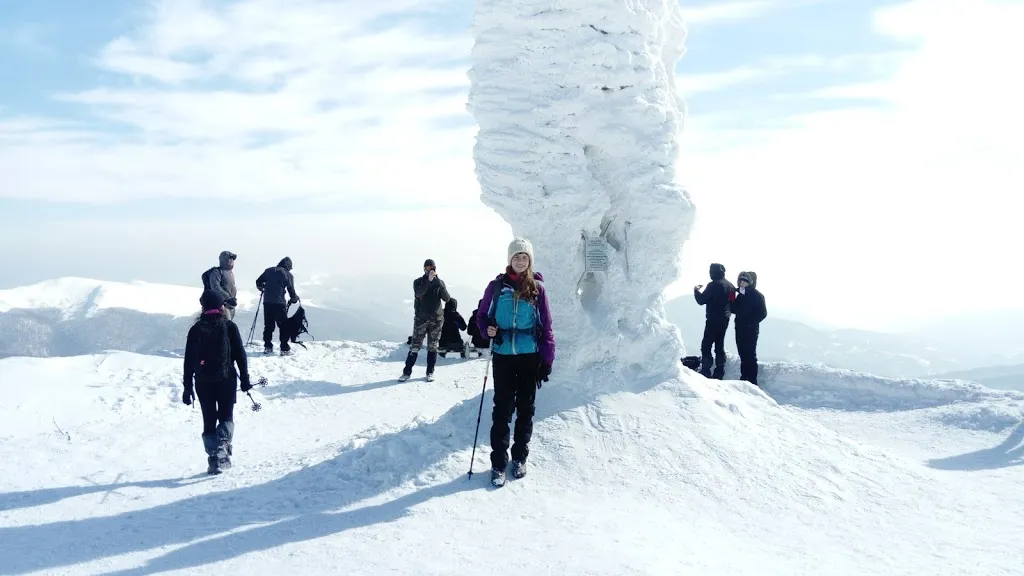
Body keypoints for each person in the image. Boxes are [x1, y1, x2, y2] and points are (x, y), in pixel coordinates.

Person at [477, 237, 555, 487]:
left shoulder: (537, 289)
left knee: (525, 409)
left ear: (530, 261)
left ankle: (519, 457)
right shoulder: (496, 287)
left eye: (525, 257)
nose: (520, 261)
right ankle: (498, 463)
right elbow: (482, 316)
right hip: (503, 356)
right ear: (509, 259)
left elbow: (546, 326)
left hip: (529, 356)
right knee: (502, 410)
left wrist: (547, 359)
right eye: (516, 257)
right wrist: (487, 329)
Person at [182, 290, 252, 475]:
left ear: (203, 307)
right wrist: (245, 378)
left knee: (209, 419)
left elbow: (188, 361)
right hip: (226, 379)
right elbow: (240, 355)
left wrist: (187, 387)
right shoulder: (229, 327)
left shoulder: (196, 329)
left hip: (203, 382)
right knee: (226, 415)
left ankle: (213, 458)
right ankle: (223, 443)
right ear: (221, 307)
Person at [399, 259, 450, 382]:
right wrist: (428, 281)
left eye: (431, 268)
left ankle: (430, 372)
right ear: (424, 269)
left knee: (433, 346)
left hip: (436, 319)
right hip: (421, 319)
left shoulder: (439, 283)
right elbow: (419, 293)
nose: (429, 270)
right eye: (427, 268)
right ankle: (406, 372)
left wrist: (439, 283)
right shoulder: (418, 282)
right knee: (415, 346)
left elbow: (447, 298)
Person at [693, 262, 735, 379]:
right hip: (725, 319)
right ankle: (719, 371)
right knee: (719, 345)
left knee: (706, 345)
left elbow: (701, 300)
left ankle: (706, 371)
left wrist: (696, 291)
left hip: (713, 319)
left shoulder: (713, 285)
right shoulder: (731, 286)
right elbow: (733, 302)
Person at [255, 257, 299, 356]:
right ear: (288, 267)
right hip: (279, 303)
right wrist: (294, 299)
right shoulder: (288, 274)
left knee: (268, 326)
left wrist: (262, 288)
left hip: (267, 302)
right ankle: (284, 348)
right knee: (283, 326)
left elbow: (258, 282)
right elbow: (291, 290)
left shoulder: (269, 270)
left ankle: (267, 346)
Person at [729, 271, 767, 385]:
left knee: (750, 354)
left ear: (750, 282)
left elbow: (763, 313)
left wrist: (751, 322)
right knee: (742, 353)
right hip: (739, 328)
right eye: (740, 281)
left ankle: (752, 380)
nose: (742, 283)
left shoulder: (757, 295)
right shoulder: (741, 294)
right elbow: (734, 309)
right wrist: (731, 298)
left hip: (751, 330)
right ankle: (744, 377)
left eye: (744, 281)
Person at [204, 251, 238, 319]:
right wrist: (228, 298)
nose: (232, 260)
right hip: (220, 306)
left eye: (232, 259)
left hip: (229, 305)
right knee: (222, 323)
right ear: (224, 260)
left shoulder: (230, 273)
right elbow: (215, 287)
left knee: (228, 323)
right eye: (229, 258)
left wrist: (232, 299)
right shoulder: (216, 272)